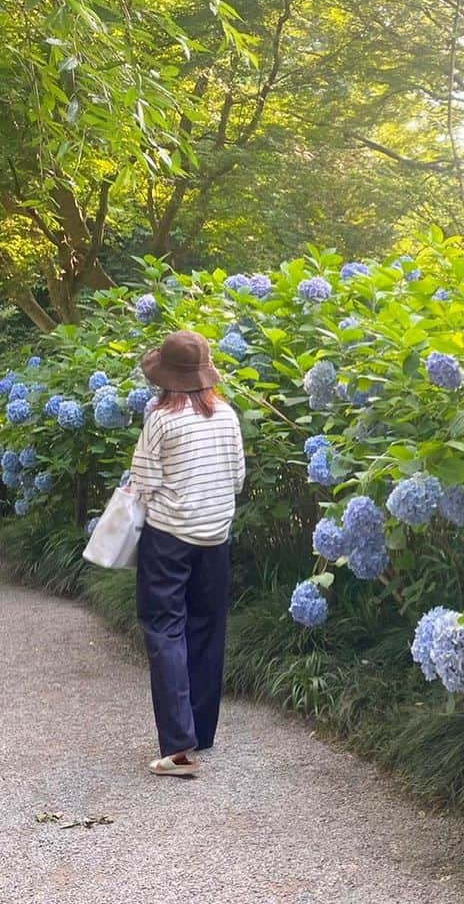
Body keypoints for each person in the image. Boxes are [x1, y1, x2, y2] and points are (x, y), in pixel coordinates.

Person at [129, 330, 246, 777]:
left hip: (169, 539)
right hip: (215, 539)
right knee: (207, 629)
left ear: (166, 377)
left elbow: (144, 484)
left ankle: (178, 748)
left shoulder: (161, 417)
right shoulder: (228, 416)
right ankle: (203, 731)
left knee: (164, 630)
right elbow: (237, 479)